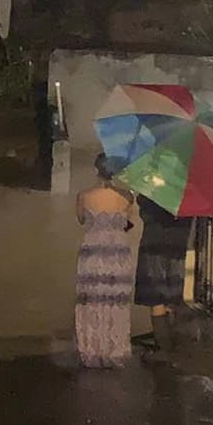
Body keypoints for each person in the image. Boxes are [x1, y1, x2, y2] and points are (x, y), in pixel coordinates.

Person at [74, 154, 136, 368]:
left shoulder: (83, 196)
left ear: (95, 170)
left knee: (93, 299)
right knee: (115, 299)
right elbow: (128, 221)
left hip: (93, 251)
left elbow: (81, 219)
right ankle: (115, 348)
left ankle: (93, 347)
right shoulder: (128, 196)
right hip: (118, 252)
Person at [134, 196, 193, 350]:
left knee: (156, 298)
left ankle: (163, 346)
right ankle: (177, 345)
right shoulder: (187, 196)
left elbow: (144, 210)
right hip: (177, 248)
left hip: (153, 247)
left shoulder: (152, 194)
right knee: (173, 296)